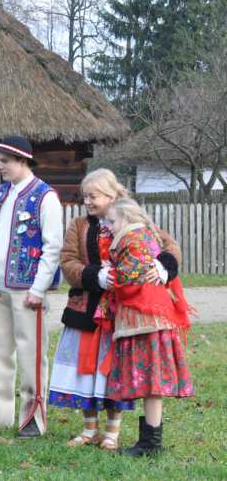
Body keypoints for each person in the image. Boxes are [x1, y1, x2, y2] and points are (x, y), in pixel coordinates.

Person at [48, 169, 181, 451]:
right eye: (85, 196)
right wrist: (94, 276)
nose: (87, 201)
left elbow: (167, 246)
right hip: (86, 309)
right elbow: (68, 261)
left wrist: (163, 267)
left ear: (112, 194)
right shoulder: (79, 226)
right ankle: (89, 429)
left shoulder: (132, 220)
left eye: (93, 195)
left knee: (112, 371)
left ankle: (112, 432)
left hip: (121, 313)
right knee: (85, 371)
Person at [0, 136, 63, 438]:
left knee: (31, 352)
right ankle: (0, 414)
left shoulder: (45, 196)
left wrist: (39, 288)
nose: (0, 167)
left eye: (5, 161)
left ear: (23, 161)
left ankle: (33, 416)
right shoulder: (2, 192)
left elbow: (52, 247)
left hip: (27, 288)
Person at [105, 197, 194, 456]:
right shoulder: (144, 237)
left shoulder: (132, 240)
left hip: (145, 320)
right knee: (151, 384)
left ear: (126, 219)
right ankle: (150, 441)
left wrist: (108, 273)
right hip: (151, 318)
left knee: (151, 382)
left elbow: (128, 278)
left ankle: (151, 443)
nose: (109, 226)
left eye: (112, 221)